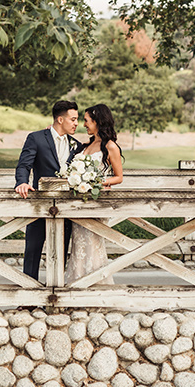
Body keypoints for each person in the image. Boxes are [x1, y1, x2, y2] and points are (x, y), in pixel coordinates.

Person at [15, 100, 83, 280]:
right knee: (32, 250)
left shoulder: (77, 145)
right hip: (40, 205)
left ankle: (55, 295)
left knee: (61, 252)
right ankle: (29, 296)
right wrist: (21, 182)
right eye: (73, 119)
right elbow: (24, 165)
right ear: (60, 119)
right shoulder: (36, 138)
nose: (76, 123)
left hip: (65, 208)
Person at [65, 103, 123, 286]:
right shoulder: (86, 145)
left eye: (87, 121)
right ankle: (76, 287)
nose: (84, 125)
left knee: (92, 245)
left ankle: (96, 288)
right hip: (79, 204)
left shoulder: (110, 146)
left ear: (98, 122)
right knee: (78, 246)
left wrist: (98, 183)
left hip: (96, 203)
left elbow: (119, 177)